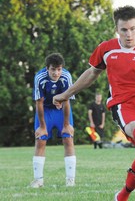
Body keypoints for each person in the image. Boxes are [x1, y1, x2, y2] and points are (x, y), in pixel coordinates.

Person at [52, 5, 135, 201]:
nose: (129, 34)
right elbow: (91, 73)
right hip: (123, 103)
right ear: (116, 29)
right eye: (124, 30)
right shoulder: (106, 49)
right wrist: (66, 94)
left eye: (133, 29)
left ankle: (122, 196)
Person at [31, 53, 76, 188]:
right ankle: (38, 180)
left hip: (61, 110)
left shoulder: (66, 76)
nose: (56, 73)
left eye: (59, 69)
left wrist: (67, 124)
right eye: (53, 69)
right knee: (41, 140)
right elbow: (39, 102)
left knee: (68, 139)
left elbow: (67, 101)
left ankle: (70, 180)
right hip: (45, 110)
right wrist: (42, 126)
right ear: (47, 68)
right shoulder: (39, 77)